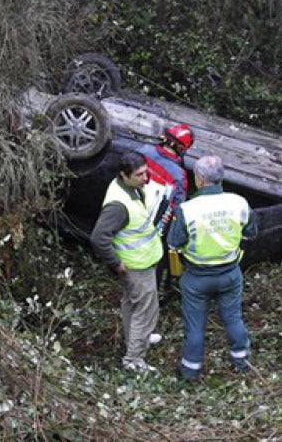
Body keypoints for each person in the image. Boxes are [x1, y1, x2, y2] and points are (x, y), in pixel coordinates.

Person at [167, 155, 257, 381]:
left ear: (199, 180)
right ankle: (241, 362)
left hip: (196, 278)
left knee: (195, 326)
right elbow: (251, 233)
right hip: (229, 274)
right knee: (234, 318)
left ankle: (190, 370)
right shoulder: (239, 203)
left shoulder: (187, 209)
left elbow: (173, 242)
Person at [90, 151, 165, 372]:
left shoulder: (128, 187)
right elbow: (98, 237)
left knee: (132, 305)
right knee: (145, 310)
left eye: (146, 171)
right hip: (136, 266)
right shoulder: (117, 206)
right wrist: (115, 262)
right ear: (124, 175)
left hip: (142, 261)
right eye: (140, 174)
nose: (146, 178)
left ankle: (135, 339)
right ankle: (134, 359)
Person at [137, 123, 194, 290]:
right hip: (158, 222)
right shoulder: (178, 174)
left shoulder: (143, 151)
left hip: (135, 210)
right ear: (181, 148)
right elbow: (178, 206)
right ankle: (156, 287)